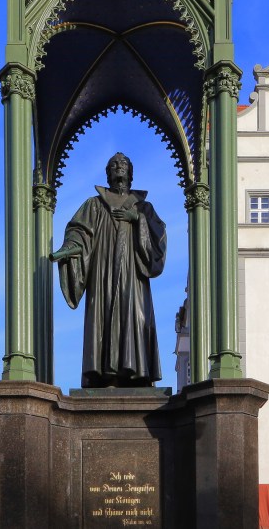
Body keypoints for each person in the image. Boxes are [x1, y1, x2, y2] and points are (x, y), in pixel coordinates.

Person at [50, 152, 167, 388]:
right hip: (102, 274)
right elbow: (78, 231)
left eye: (123, 164)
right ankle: (106, 374)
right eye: (114, 164)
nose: (118, 166)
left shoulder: (144, 207)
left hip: (133, 275)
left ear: (130, 172)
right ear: (108, 172)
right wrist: (70, 248)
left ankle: (137, 374)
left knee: (134, 316)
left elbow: (159, 238)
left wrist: (138, 220)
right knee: (103, 317)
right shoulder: (94, 205)